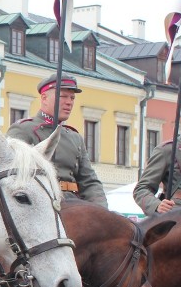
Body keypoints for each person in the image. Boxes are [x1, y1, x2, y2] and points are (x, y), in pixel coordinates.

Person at [7, 73, 107, 207]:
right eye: (63, 96)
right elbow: (12, 176)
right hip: (41, 204)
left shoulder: (74, 137)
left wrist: (101, 210)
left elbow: (89, 181)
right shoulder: (23, 130)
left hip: (74, 204)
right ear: (44, 98)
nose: (69, 102)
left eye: (72, 98)